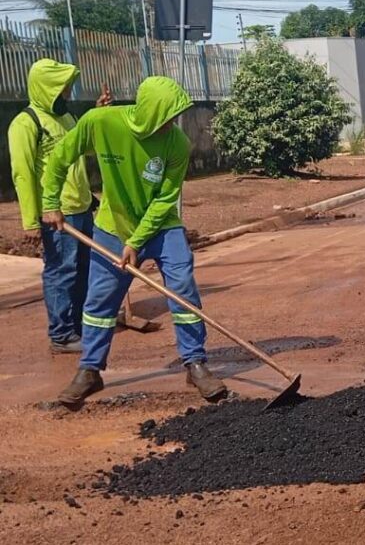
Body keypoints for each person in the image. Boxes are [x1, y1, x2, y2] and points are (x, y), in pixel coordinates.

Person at [40, 76, 226, 408]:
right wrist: (50, 202)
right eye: (166, 116)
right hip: (113, 226)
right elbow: (59, 159)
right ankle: (90, 370)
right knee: (100, 301)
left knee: (183, 289)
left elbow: (165, 199)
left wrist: (137, 242)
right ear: (149, 112)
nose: (172, 123)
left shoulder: (177, 144)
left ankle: (195, 362)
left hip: (162, 227)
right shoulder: (100, 122)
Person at [7, 59, 110, 354]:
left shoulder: (67, 118)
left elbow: (85, 148)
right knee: (62, 271)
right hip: (57, 214)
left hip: (82, 207)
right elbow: (22, 174)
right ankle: (61, 334)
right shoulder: (26, 123)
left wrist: (97, 115)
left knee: (84, 269)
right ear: (47, 87)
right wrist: (30, 220)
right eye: (62, 87)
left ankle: (79, 325)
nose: (67, 92)